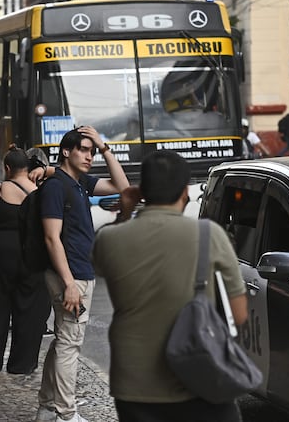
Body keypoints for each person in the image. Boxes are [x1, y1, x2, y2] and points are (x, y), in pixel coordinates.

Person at [92, 150, 248, 422]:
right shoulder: (210, 235)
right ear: (185, 192)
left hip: (134, 382)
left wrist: (126, 210)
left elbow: (99, 265)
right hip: (200, 376)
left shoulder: (109, 239)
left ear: (142, 191)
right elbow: (239, 315)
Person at [33, 126, 129, 422]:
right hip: (70, 274)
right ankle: (66, 413)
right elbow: (51, 238)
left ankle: (48, 408)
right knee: (69, 343)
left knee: (64, 339)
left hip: (79, 271)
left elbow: (122, 187)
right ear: (66, 151)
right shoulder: (56, 187)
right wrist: (68, 283)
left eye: (91, 151)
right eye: (83, 150)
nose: (89, 156)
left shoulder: (79, 182)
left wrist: (105, 147)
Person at [0, 146, 50, 374]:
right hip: (32, 257)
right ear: (27, 168)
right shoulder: (41, 192)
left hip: (0, 258)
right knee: (29, 310)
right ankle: (22, 364)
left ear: (7, 168)